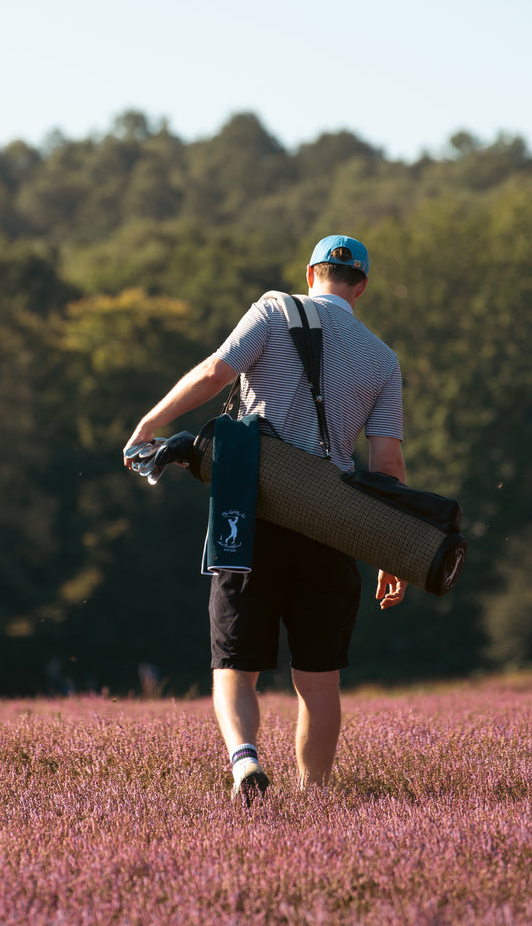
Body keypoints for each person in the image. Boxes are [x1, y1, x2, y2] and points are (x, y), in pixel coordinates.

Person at [123, 235, 407, 804]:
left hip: (248, 512)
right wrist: (390, 550)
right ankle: (316, 799)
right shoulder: (382, 359)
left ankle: (245, 760)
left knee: (234, 663)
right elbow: (387, 465)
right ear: (362, 287)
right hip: (330, 522)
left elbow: (213, 374)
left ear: (311, 273)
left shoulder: (275, 309)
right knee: (319, 679)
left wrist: (148, 424)